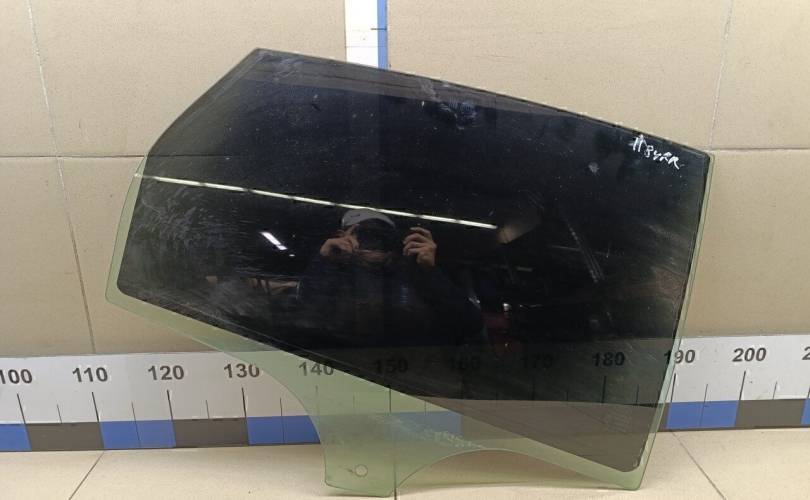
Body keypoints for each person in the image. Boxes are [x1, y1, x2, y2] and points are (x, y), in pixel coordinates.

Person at [296, 209, 482, 348]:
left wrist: (429, 272)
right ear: (342, 236)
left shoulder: (414, 275)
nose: (376, 241)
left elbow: (470, 324)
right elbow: (304, 318)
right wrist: (325, 262)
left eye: (382, 235)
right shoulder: (332, 273)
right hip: (344, 368)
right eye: (366, 233)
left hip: (411, 374)